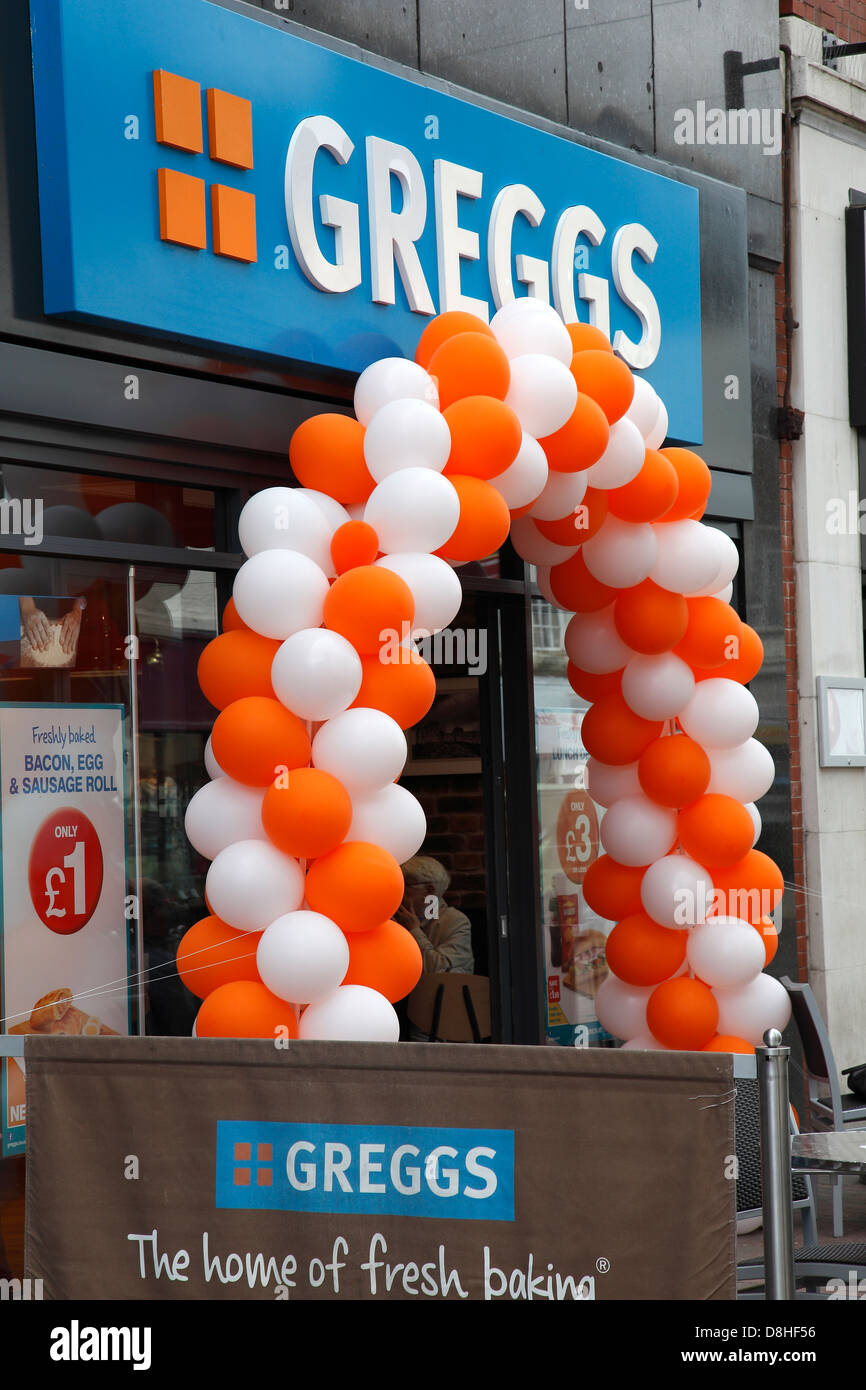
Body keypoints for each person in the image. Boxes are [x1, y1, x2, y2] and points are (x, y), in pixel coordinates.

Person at [395, 856, 474, 974]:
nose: (398, 890)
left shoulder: (456, 921)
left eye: (405, 885)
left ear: (430, 890)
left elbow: (438, 969)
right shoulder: (393, 921)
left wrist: (414, 931)